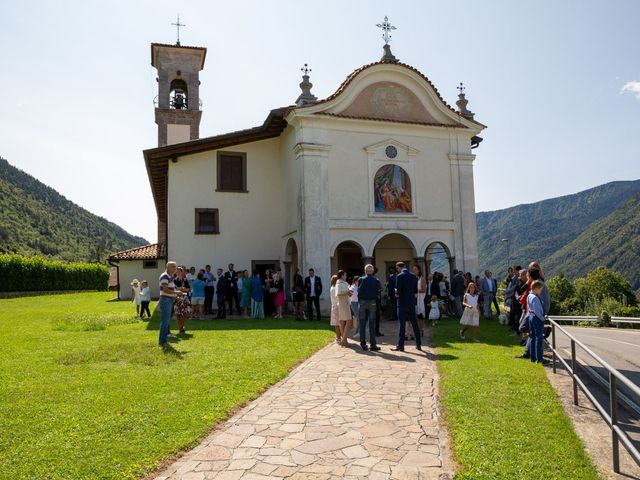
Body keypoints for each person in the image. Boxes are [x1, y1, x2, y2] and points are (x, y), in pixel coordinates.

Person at [392, 262, 422, 352]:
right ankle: (418, 344)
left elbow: (398, 292)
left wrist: (396, 293)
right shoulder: (413, 276)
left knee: (402, 325)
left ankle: (401, 346)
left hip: (402, 303)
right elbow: (415, 292)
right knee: (415, 324)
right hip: (411, 303)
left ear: (398, 268)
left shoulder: (400, 276)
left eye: (397, 268)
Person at [158, 261, 183, 347]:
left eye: (175, 267)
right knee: (165, 321)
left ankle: (163, 341)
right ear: (167, 267)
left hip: (169, 299)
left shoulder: (170, 276)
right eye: (173, 266)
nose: (175, 268)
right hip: (166, 300)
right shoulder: (165, 276)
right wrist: (177, 293)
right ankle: (162, 341)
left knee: (166, 321)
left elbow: (170, 289)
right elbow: (165, 290)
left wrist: (176, 296)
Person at [358, 265, 380, 351]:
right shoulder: (376, 280)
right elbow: (378, 291)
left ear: (365, 271)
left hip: (363, 302)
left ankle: (363, 344)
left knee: (362, 323)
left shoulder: (361, 279)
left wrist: (360, 299)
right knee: (372, 324)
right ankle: (373, 344)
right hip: (372, 302)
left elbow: (359, 291)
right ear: (372, 271)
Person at [527, 280, 547, 363]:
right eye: (540, 289)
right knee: (539, 338)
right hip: (536, 318)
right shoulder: (535, 298)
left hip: (531, 317)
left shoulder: (529, 295)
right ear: (535, 289)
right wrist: (542, 318)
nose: (541, 291)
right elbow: (537, 311)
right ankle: (539, 359)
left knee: (532, 337)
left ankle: (533, 358)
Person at [336, 270, 352, 346]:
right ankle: (344, 339)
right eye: (345, 275)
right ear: (342, 276)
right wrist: (347, 292)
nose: (346, 276)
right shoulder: (339, 283)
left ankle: (344, 340)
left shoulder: (342, 283)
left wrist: (349, 293)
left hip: (344, 303)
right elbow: (339, 293)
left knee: (342, 322)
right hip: (343, 304)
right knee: (348, 321)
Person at [173, 267, 191, 334]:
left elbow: (189, 289)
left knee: (185, 313)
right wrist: (182, 289)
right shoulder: (174, 280)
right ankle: (180, 328)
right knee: (177, 314)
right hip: (177, 298)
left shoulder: (185, 280)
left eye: (179, 271)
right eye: (176, 272)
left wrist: (182, 289)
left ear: (182, 272)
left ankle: (182, 326)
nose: (177, 273)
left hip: (185, 298)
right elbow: (174, 289)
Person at [413, 265, 427, 338]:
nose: (414, 270)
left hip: (420, 299)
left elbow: (424, 290)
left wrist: (417, 291)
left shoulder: (422, 279)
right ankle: (415, 330)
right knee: (414, 315)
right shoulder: (412, 278)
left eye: (415, 269)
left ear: (418, 270)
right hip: (413, 299)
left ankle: (421, 329)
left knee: (421, 315)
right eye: (413, 269)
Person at [329, 275, 342, 343]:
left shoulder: (332, 287)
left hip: (334, 306)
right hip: (337, 306)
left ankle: (339, 338)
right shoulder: (335, 288)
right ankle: (339, 338)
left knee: (337, 324)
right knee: (338, 324)